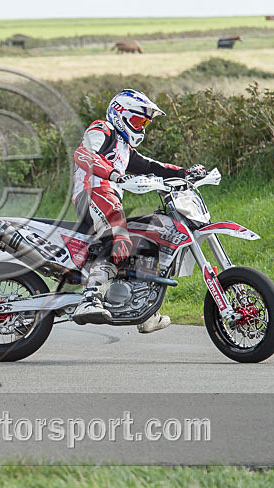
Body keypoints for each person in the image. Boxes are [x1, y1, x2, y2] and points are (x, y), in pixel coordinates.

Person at [71, 89, 205, 329]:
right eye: (137, 120)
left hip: (110, 200)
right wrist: (112, 173)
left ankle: (143, 309)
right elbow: (84, 154)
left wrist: (185, 172)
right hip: (91, 193)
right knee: (119, 236)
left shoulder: (124, 149)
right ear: (120, 115)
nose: (141, 127)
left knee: (149, 236)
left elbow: (153, 166)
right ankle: (90, 298)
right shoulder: (102, 129)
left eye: (144, 122)